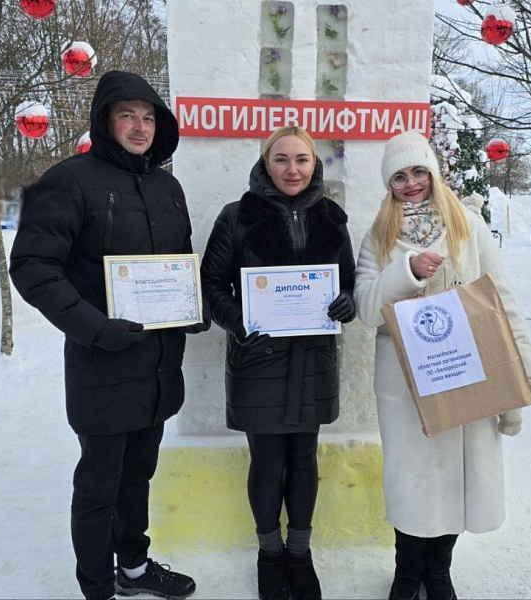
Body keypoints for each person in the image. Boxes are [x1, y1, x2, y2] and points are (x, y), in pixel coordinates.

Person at [9, 70, 208, 600]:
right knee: (99, 486)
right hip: (103, 364)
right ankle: (96, 587)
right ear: (105, 120)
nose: (140, 127)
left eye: (148, 117)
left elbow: (176, 264)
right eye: (128, 116)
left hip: (159, 364)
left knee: (137, 476)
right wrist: (93, 328)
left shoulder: (168, 185)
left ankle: (135, 571)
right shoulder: (68, 180)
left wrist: (192, 307)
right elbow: (32, 266)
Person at [353, 131, 531, 600]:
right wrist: (407, 273)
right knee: (412, 482)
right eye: (400, 176)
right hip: (406, 384)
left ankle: (438, 571)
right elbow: (365, 310)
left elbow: (503, 301)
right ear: (389, 184)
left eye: (419, 171)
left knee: (458, 480)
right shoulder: (378, 237)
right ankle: (406, 571)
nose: (412, 183)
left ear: (434, 174)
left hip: (467, 369)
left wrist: (522, 375)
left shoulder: (468, 227)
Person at [200, 126, 357, 600]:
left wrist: (346, 302)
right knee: (267, 461)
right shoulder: (237, 217)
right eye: (282, 159)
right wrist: (239, 321)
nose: (293, 169)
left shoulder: (332, 217)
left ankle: (300, 553)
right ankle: (270, 554)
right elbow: (211, 286)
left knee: (304, 458)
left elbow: (347, 281)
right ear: (265, 163)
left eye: (302, 160)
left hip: (313, 362)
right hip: (258, 361)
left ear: (315, 165)